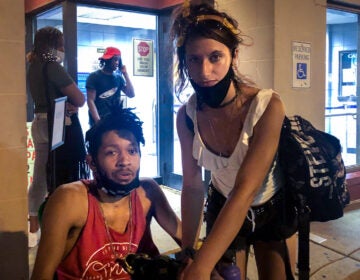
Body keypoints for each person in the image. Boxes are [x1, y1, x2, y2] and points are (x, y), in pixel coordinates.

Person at [171, 3, 297, 280]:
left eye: (215, 57)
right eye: (194, 59)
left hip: (269, 207)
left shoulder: (266, 106)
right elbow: (192, 186)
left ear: (234, 55)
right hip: (221, 202)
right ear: (184, 60)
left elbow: (245, 191)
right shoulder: (187, 116)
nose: (204, 72)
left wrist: (201, 267)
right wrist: (189, 252)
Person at [30, 103, 182, 279]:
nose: (125, 161)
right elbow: (42, 275)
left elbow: (187, 240)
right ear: (92, 162)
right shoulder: (70, 199)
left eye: (132, 150)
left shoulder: (148, 192)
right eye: (112, 153)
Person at [27, 26, 88, 248]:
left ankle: (33, 224)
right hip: (57, 124)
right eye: (60, 45)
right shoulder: (53, 67)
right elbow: (79, 98)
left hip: (39, 121)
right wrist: (72, 103)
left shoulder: (33, 66)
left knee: (41, 173)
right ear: (52, 46)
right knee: (61, 173)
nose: (63, 49)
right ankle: (62, 221)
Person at [86, 46, 135, 127]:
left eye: (118, 60)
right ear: (107, 60)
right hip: (98, 122)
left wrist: (126, 75)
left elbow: (131, 94)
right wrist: (98, 121)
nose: (117, 62)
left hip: (115, 121)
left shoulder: (118, 78)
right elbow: (90, 101)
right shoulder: (94, 76)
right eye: (115, 59)